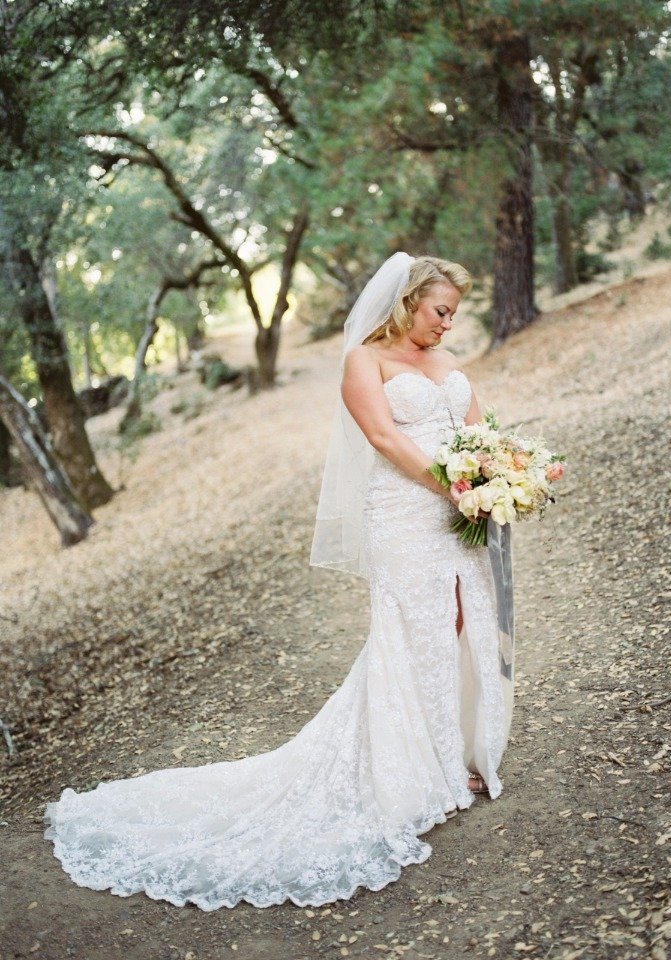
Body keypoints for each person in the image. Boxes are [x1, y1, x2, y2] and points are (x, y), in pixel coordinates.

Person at [43, 252, 515, 911]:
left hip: (456, 513)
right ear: (408, 301)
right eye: (440, 311)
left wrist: (506, 473)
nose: (446, 324)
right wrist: (454, 487)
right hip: (405, 515)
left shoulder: (444, 363)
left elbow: (479, 429)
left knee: (466, 618)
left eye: (453, 315)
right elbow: (382, 435)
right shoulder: (365, 360)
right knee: (418, 626)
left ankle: (460, 751)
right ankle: (421, 771)